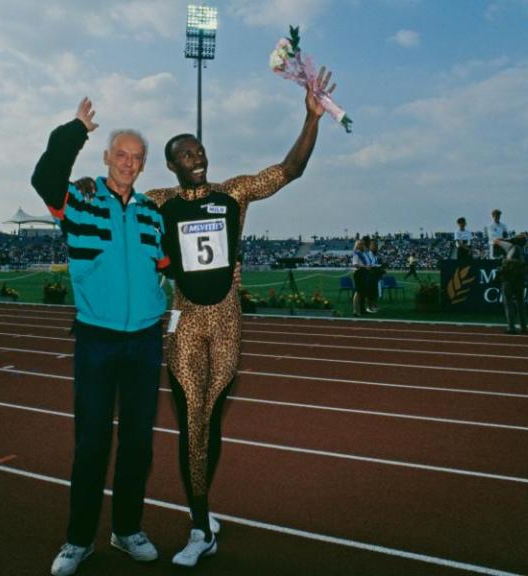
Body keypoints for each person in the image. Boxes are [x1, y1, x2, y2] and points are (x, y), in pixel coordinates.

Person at [147, 67, 336, 566]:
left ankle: (201, 511)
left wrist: (311, 119)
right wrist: (87, 184)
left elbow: (288, 170)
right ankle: (198, 526)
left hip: (227, 320)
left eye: (200, 150)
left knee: (210, 422)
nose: (198, 157)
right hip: (185, 320)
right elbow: (116, 202)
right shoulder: (158, 203)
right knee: (191, 422)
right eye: (186, 153)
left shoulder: (233, 194)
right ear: (171, 164)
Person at [32, 98, 169, 576]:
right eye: (122, 155)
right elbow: (44, 177)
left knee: (137, 444)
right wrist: (75, 130)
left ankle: (127, 529)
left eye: (137, 157)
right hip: (97, 340)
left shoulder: (154, 214)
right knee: (91, 444)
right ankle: (78, 540)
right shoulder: (83, 201)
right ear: (107, 159)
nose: (129, 163)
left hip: (145, 341)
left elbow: (170, 268)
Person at [495, 236, 528, 334]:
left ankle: (511, 327)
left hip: (508, 279)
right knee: (520, 303)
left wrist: (506, 239)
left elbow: (496, 241)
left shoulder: (510, 246)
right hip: (519, 280)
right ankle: (523, 327)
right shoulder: (522, 251)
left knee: (508, 303)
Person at [351, 239, 370, 316]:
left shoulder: (363, 253)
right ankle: (355, 311)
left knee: (363, 292)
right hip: (359, 273)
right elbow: (355, 264)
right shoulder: (356, 254)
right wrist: (365, 267)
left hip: (364, 273)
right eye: (360, 244)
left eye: (362, 244)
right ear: (357, 245)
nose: (362, 245)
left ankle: (362, 309)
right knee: (358, 292)